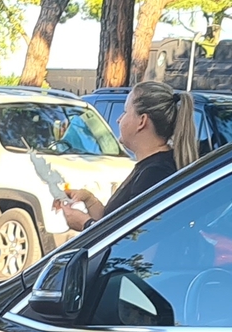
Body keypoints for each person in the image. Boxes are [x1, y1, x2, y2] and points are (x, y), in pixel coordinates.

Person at [57, 79, 198, 232]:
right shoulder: (152, 167)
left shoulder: (155, 174)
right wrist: (89, 200)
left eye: (125, 112)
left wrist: (86, 225)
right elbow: (116, 223)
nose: (118, 119)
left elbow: (134, 240)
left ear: (142, 121)